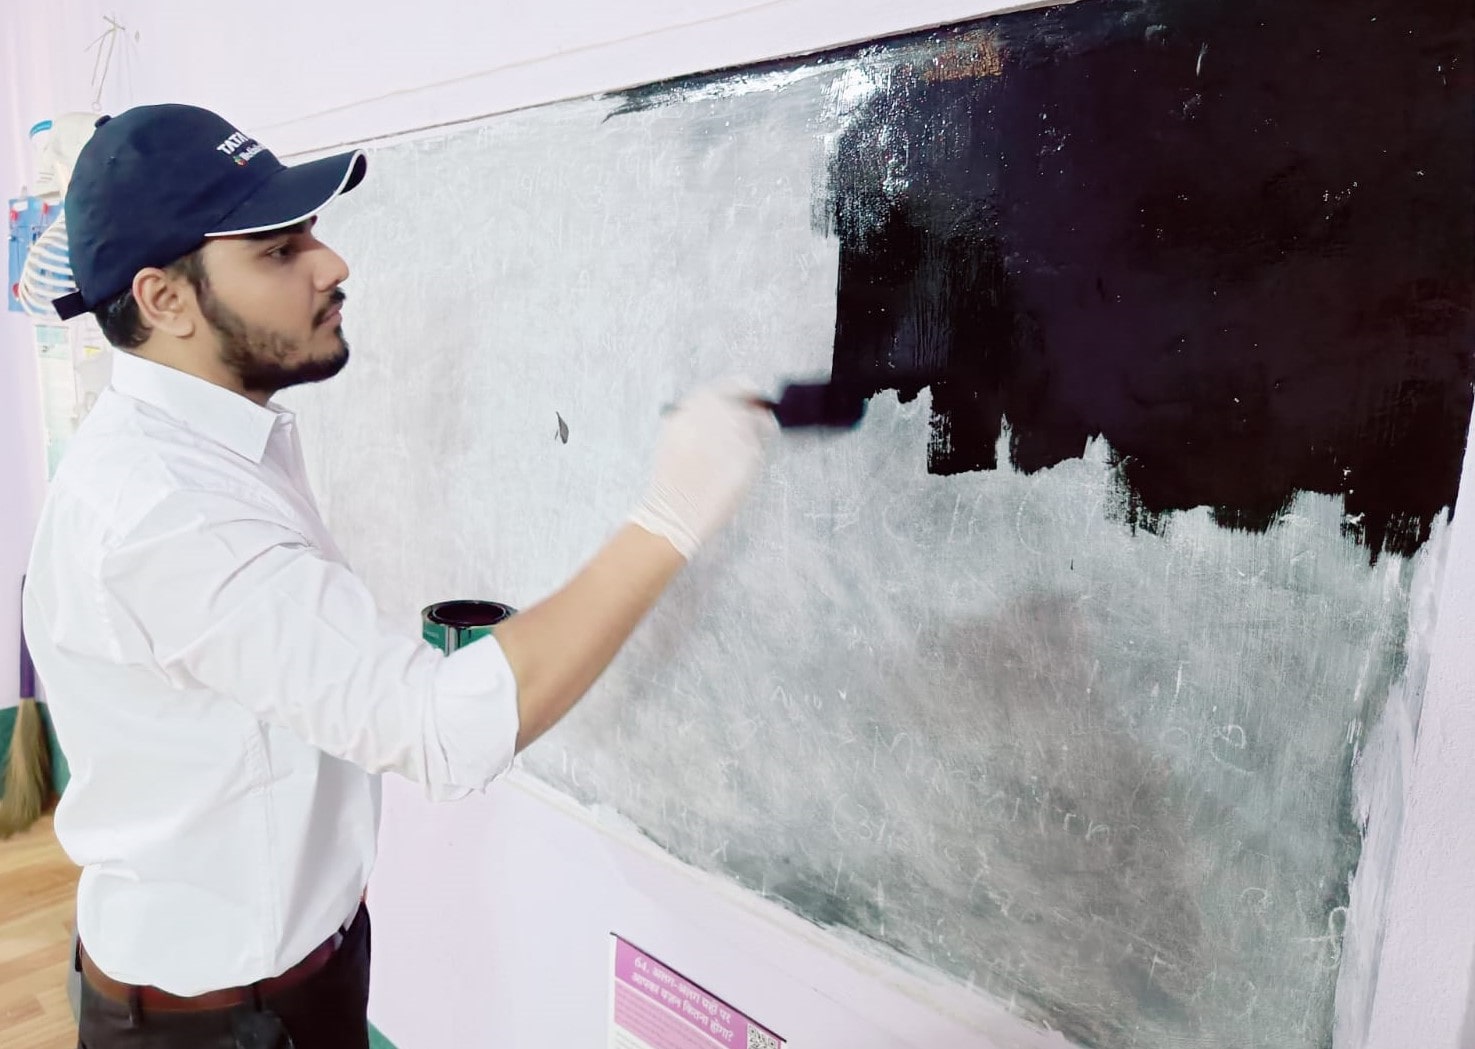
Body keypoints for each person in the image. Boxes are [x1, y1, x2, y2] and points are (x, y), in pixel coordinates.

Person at [22, 103, 776, 1049]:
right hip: (220, 1023)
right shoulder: (172, 511)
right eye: (278, 250)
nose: (331, 263)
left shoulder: (199, 446)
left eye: (309, 234)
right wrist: (672, 515)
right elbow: (440, 730)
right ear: (165, 300)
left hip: (285, 973)